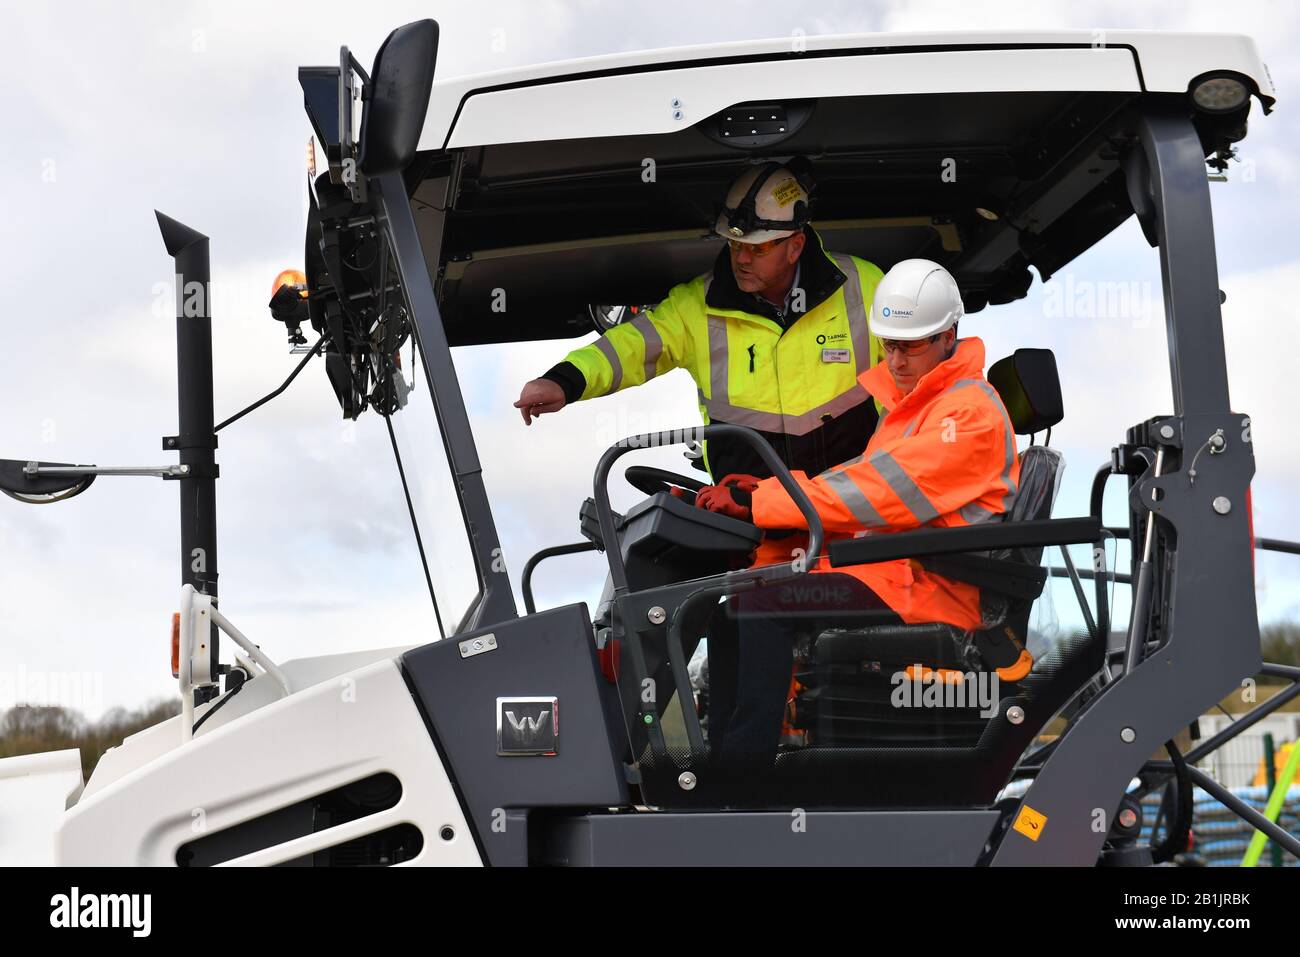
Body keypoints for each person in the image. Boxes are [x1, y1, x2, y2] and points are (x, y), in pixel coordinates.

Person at [695, 259, 1021, 783]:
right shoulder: (917, 408)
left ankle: (742, 781)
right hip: (894, 573)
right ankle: (720, 770)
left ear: (949, 336)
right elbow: (858, 478)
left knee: (761, 608)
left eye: (908, 346)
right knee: (729, 610)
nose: (895, 360)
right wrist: (766, 491)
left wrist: (766, 507)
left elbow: (874, 493)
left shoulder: (967, 415)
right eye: (888, 344)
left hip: (933, 588)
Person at [513, 161, 885, 490]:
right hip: (747, 524)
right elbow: (630, 347)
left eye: (757, 249)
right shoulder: (696, 306)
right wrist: (564, 381)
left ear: (795, 245)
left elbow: (924, 374)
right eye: (735, 245)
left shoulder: (864, 285)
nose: (741, 259)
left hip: (857, 508)